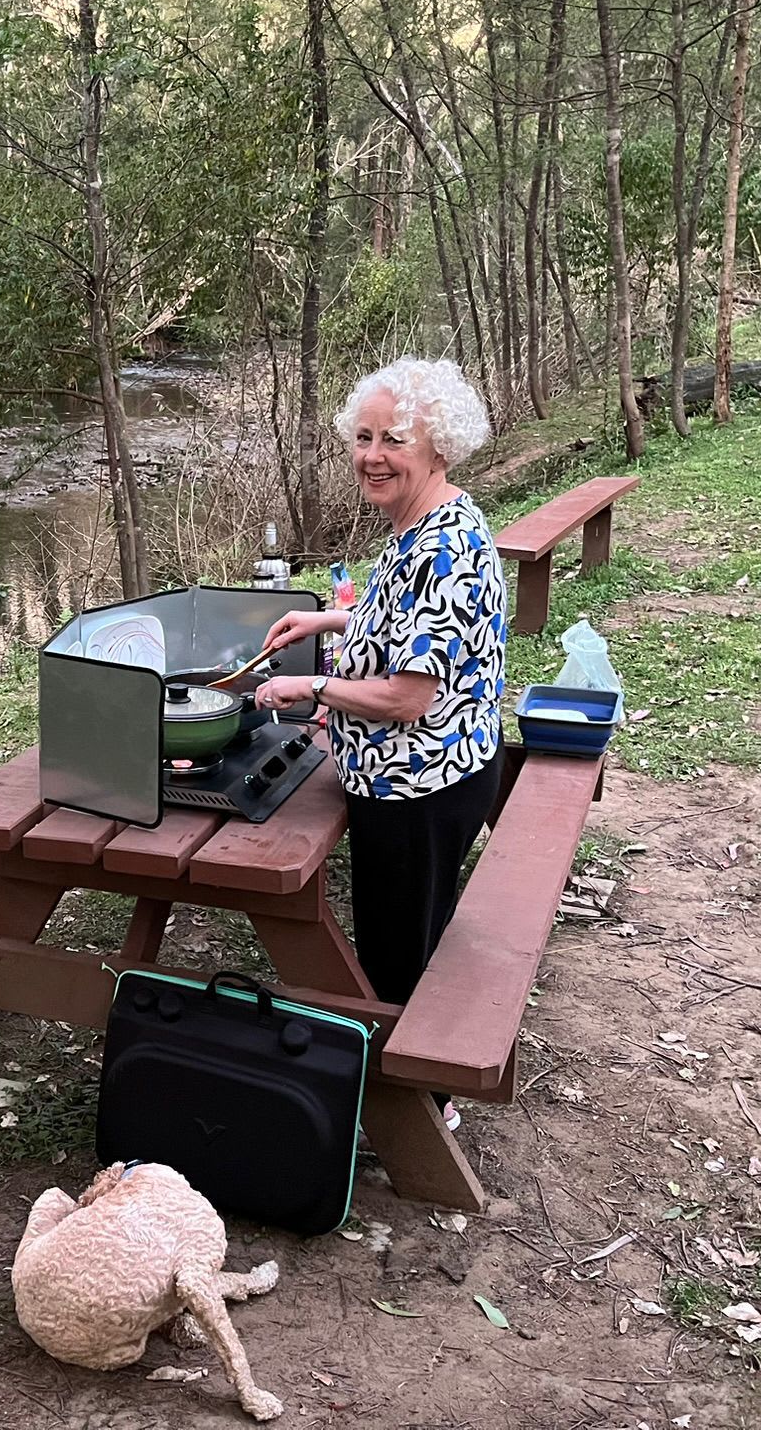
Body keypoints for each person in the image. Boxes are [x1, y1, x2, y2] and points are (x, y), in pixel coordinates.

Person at [253, 358, 507, 1133]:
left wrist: (312, 687)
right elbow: (401, 622)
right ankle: (407, 1097)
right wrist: (326, 621)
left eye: (393, 439)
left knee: (397, 962)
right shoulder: (421, 524)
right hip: (420, 774)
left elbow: (406, 696)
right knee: (411, 936)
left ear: (438, 446)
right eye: (363, 437)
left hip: (420, 785)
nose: (372, 455)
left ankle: (419, 1118)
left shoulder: (444, 548)